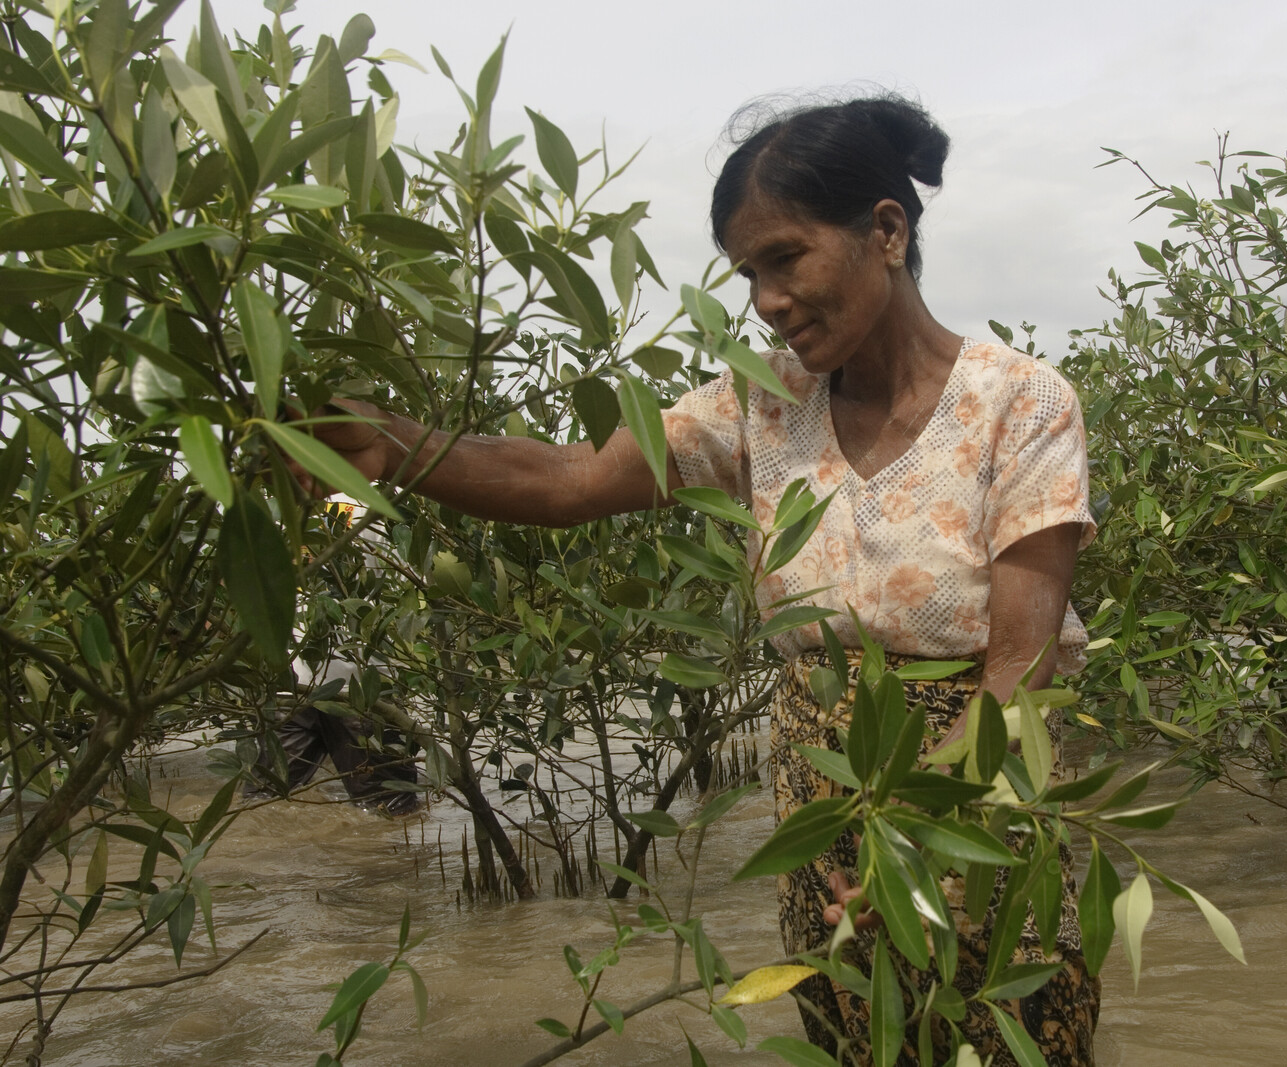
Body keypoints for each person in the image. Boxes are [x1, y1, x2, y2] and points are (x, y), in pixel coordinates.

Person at [307, 94, 1098, 1065]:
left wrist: (913, 829)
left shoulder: (1019, 402)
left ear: (884, 230)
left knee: (1014, 1032)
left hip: (975, 793)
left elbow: (1020, 666)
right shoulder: (761, 402)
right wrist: (397, 443)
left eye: (786, 255)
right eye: (747, 272)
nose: (764, 298)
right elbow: (574, 479)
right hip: (825, 791)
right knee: (860, 1036)